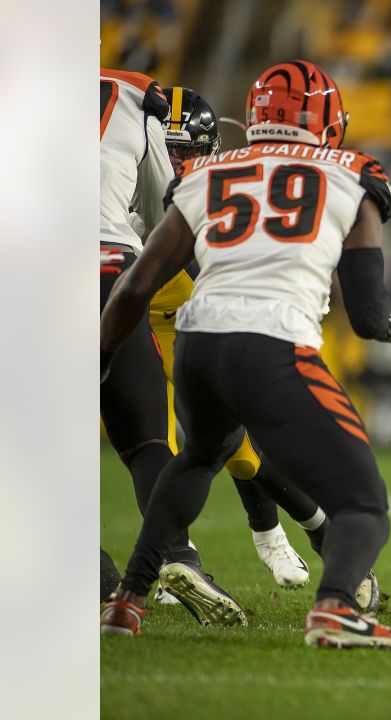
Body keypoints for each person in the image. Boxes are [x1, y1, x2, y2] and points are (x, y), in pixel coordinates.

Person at [100, 60, 391, 651]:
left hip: (197, 344)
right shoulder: (355, 174)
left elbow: (137, 285)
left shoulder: (205, 172)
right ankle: (336, 609)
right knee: (364, 503)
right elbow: (369, 314)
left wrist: (99, 357)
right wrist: (390, 325)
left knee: (196, 458)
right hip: (272, 343)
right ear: (330, 123)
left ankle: (126, 602)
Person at [99, 68, 240, 618]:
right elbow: (164, 212)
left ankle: (90, 572)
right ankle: (178, 556)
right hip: (108, 266)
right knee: (146, 443)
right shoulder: (131, 92)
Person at [154, 85, 309, 590]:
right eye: (167, 148)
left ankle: (274, 534)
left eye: (185, 150)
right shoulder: (122, 181)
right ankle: (178, 557)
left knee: (237, 448)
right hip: (142, 325)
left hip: (200, 324)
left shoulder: (218, 192)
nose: (175, 160)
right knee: (159, 443)